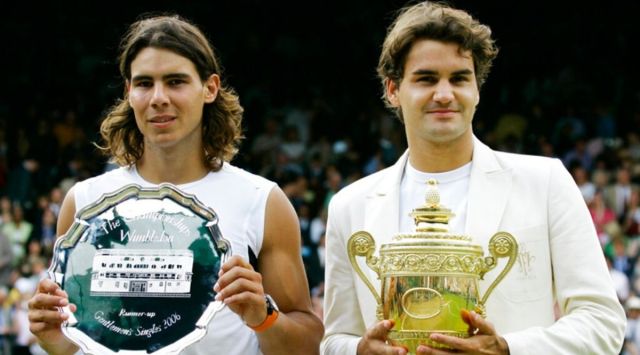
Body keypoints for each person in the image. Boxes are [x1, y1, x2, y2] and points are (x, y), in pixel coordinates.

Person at [321, 2, 625, 355]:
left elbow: (602, 321)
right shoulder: (350, 205)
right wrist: (359, 350)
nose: (445, 94)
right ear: (393, 90)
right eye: (426, 78)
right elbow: (334, 339)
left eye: (460, 78)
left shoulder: (545, 182)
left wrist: (507, 349)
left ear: (477, 90)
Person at [26, 14, 323, 355]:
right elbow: (74, 342)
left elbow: (310, 344)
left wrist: (263, 317)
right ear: (129, 92)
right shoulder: (85, 202)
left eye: (176, 81)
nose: (158, 97)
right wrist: (52, 338)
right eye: (144, 83)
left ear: (210, 88)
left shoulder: (261, 201)